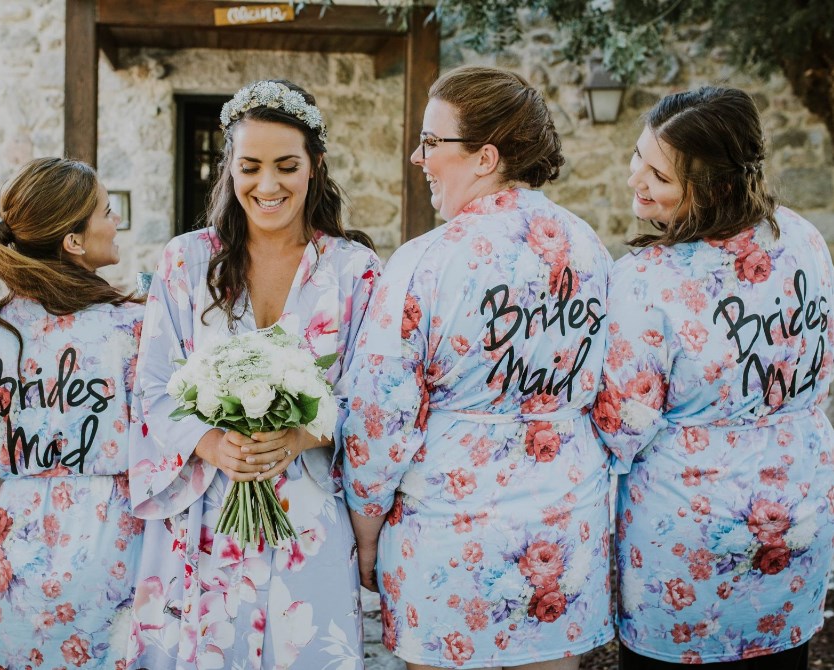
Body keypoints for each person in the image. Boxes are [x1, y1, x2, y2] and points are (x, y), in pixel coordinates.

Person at [341, 66, 614, 670]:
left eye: (432, 142)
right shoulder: (591, 248)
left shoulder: (424, 262)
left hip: (449, 542)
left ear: (485, 156)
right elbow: (617, 401)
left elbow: (378, 419)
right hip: (564, 533)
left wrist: (364, 528)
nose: (418, 156)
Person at [128, 79, 382, 669]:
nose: (268, 186)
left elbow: (371, 399)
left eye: (287, 166)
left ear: (315, 167)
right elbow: (153, 386)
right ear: (229, 168)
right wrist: (212, 444)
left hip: (309, 510)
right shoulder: (186, 261)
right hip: (207, 509)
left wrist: (299, 435)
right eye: (251, 167)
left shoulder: (354, 271)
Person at [592, 87, 834, 669]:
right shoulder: (802, 238)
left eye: (660, 175)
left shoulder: (645, 278)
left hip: (686, 545)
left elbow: (623, 423)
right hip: (796, 517)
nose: (636, 181)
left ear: (717, 187)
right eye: (637, 158)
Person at [0, 158, 161, 668]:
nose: (115, 221)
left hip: (16, 532)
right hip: (110, 533)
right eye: (106, 211)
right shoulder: (132, 325)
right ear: (73, 241)